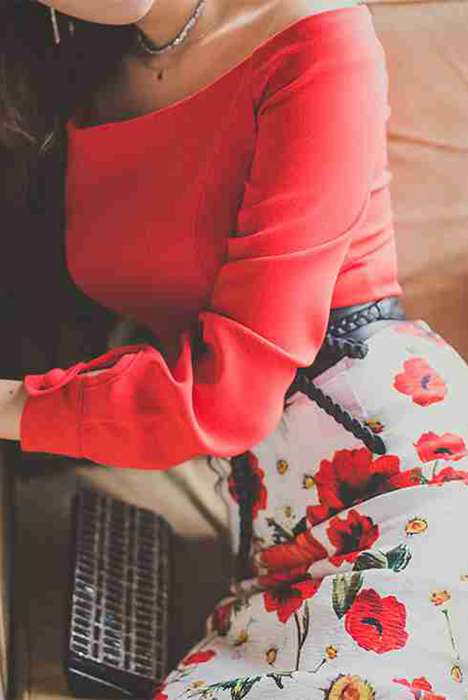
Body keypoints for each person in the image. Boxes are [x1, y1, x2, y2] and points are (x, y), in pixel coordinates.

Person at [1, 0, 468, 697]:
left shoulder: (320, 37)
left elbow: (232, 395)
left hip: (409, 488)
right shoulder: (76, 67)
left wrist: (12, 405)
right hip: (269, 534)